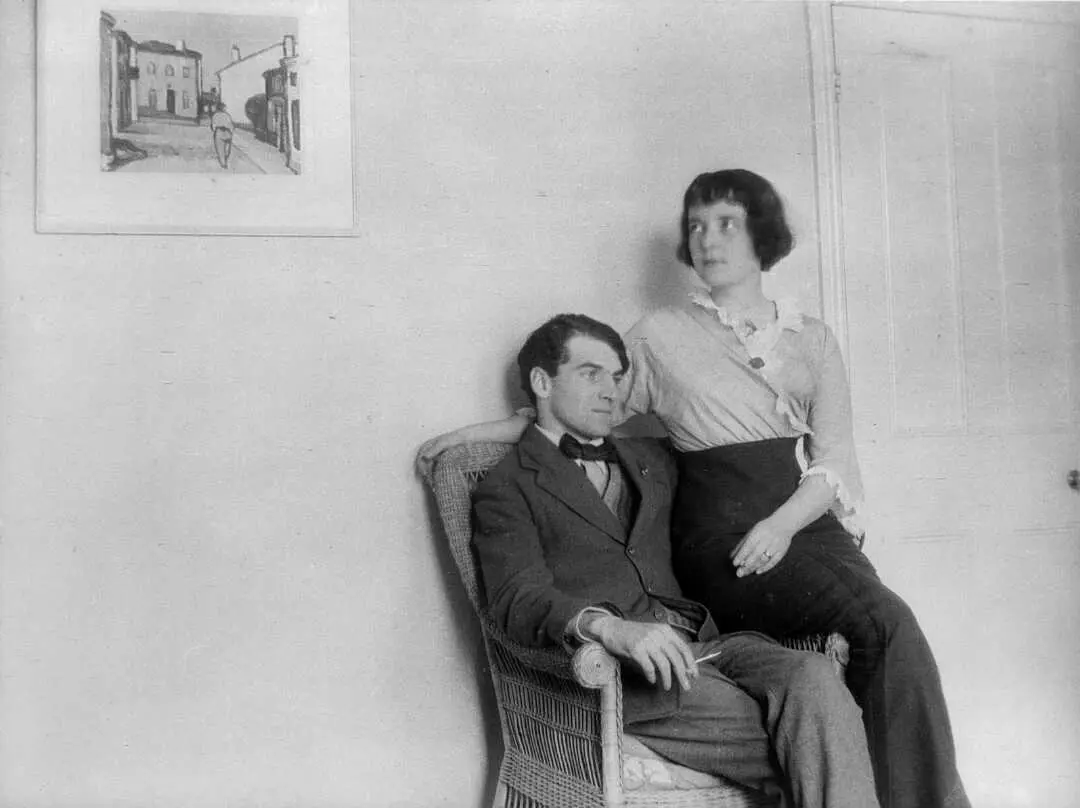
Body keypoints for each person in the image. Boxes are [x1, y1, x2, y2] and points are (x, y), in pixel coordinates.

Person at [417, 170, 970, 808]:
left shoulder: (806, 342)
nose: (707, 239)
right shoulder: (652, 341)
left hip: (781, 542)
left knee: (849, 657)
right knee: (845, 681)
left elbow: (834, 456)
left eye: (726, 223)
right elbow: (586, 404)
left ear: (761, 232)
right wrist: (486, 435)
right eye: (696, 226)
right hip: (698, 569)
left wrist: (784, 523)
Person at [468, 313, 878, 808]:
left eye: (618, 375)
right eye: (590, 373)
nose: (611, 391)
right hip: (630, 674)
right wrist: (609, 628)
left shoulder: (653, 458)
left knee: (816, 678)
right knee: (823, 736)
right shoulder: (506, 487)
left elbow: (739, 464)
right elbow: (517, 596)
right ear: (541, 382)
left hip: (708, 642)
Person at [210, 103, 235, 169]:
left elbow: (213, 126)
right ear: (223, 108)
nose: (226, 109)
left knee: (220, 149)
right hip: (227, 133)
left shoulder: (215, 115)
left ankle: (223, 164)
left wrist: (214, 131)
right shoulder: (227, 115)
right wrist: (231, 132)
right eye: (225, 107)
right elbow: (230, 125)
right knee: (227, 149)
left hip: (219, 132)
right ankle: (226, 158)